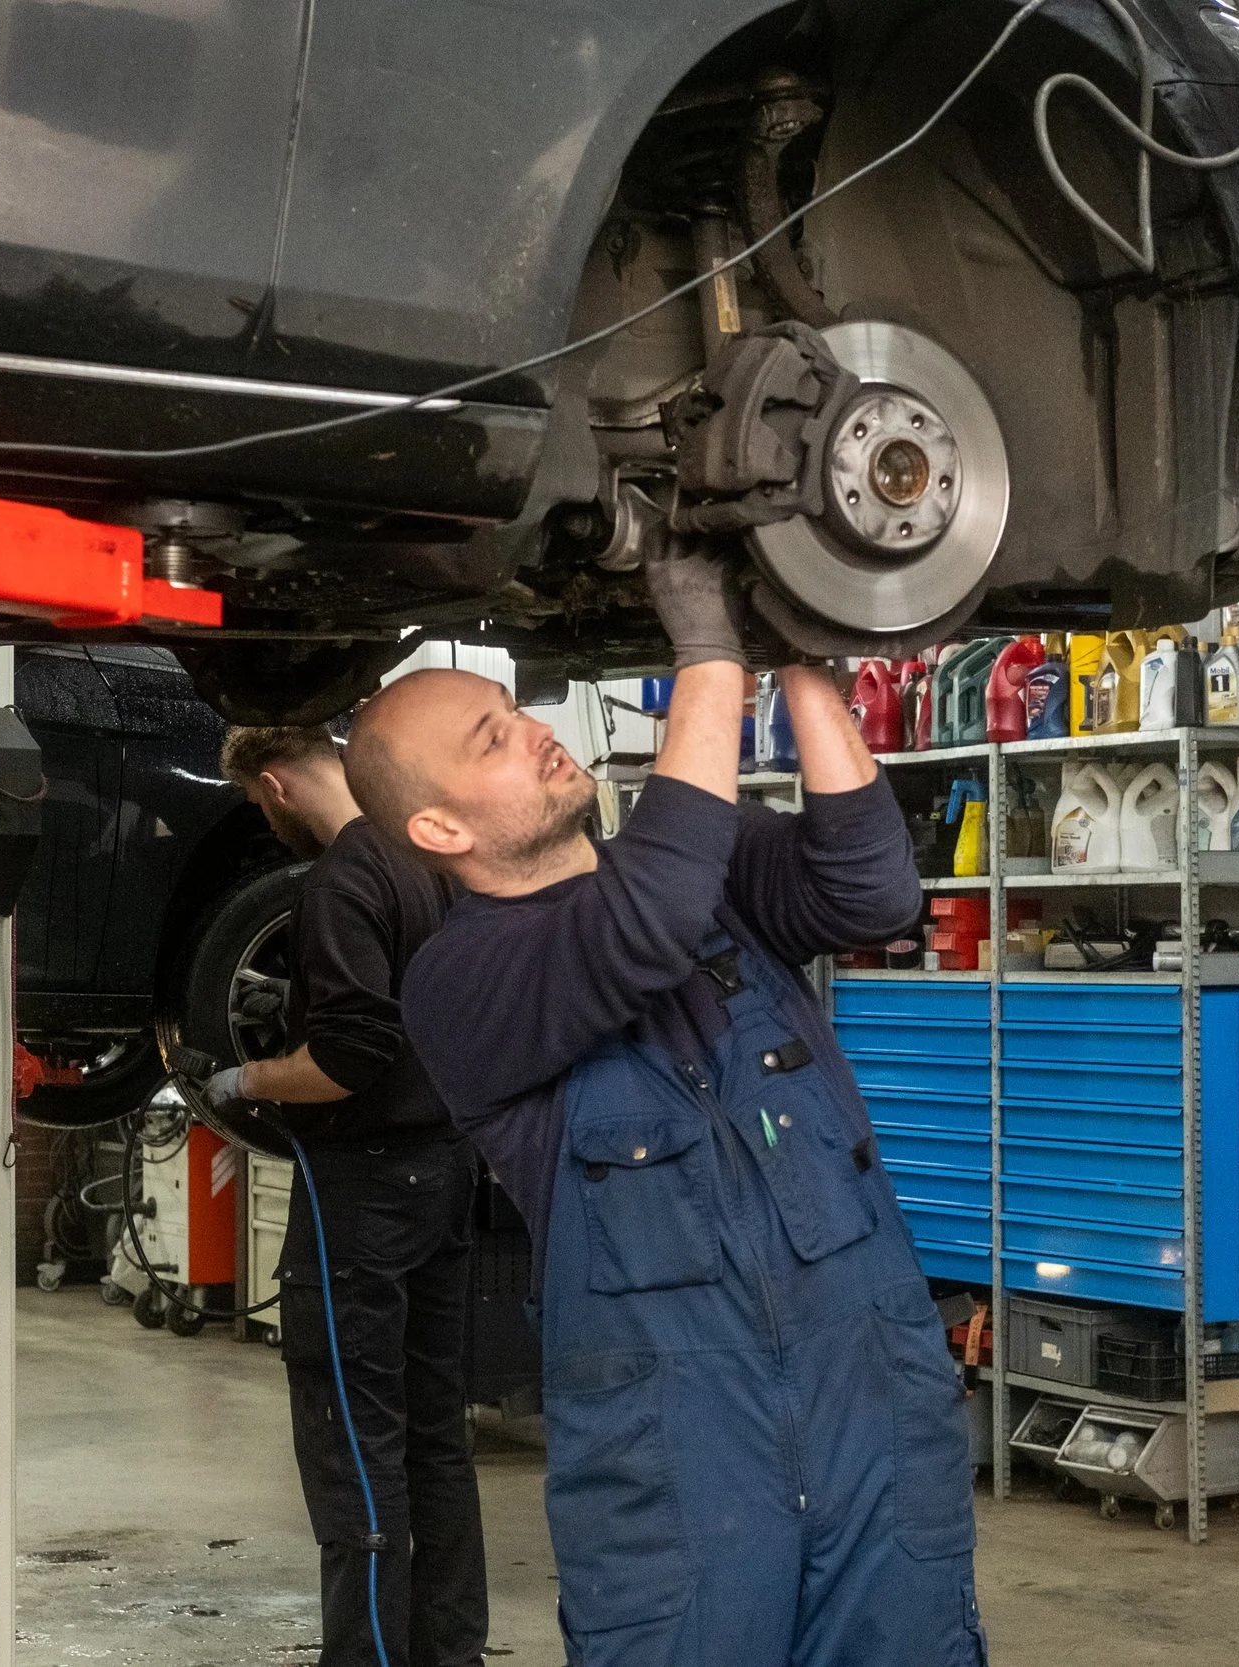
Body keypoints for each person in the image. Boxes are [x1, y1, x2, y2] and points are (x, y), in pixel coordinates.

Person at [345, 547, 985, 1667]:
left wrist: (797, 656)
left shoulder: (703, 869)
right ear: (440, 830)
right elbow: (639, 924)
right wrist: (706, 653)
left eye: (516, 709)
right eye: (491, 739)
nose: (537, 730)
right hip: (681, 1457)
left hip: (871, 1399)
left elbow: (870, 886)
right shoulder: (458, 984)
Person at [203, 725, 489, 1667]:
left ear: (277, 784)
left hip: (362, 1185)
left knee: (351, 1435)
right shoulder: (430, 849)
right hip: (447, 1168)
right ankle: (446, 1652)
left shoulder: (341, 878)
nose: (263, 819)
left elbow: (347, 1056)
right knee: (434, 1433)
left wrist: (249, 1081)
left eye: (255, 804)